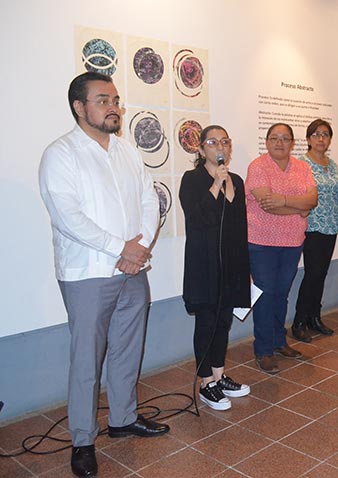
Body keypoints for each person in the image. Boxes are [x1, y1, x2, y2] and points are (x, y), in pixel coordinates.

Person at [38, 72, 169, 478]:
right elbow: (67, 216)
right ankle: (82, 440)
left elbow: (149, 200)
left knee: (128, 348)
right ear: (79, 107)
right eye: (103, 100)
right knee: (87, 360)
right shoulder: (60, 154)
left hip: (133, 268)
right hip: (88, 273)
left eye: (115, 100)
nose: (114, 107)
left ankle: (123, 418)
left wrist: (138, 248)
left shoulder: (127, 151)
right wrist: (121, 248)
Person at [179, 125, 252, 411]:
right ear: (200, 149)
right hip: (204, 263)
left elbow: (239, 226)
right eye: (212, 142)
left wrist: (244, 267)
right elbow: (197, 218)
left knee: (223, 321)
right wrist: (215, 185)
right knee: (206, 322)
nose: (220, 147)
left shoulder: (237, 181)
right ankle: (206, 382)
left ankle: (220, 376)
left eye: (224, 142)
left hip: (230, 262)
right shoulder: (192, 179)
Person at [246, 123, 317, 374]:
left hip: (292, 241)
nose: (279, 143)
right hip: (261, 242)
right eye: (274, 138)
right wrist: (299, 208)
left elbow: (313, 199)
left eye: (285, 138)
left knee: (281, 293)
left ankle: (279, 341)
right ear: (266, 142)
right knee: (265, 294)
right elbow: (267, 204)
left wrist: (285, 200)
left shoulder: (302, 167)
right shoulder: (258, 167)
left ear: (292, 143)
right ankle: (263, 350)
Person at [291, 119, 338, 342]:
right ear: (308, 139)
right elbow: (298, 194)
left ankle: (314, 317)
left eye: (325, 134)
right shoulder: (301, 164)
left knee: (321, 274)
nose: (321, 139)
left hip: (330, 225)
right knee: (312, 274)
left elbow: (336, 196)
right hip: (311, 226)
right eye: (316, 134)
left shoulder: (332, 164)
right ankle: (299, 321)